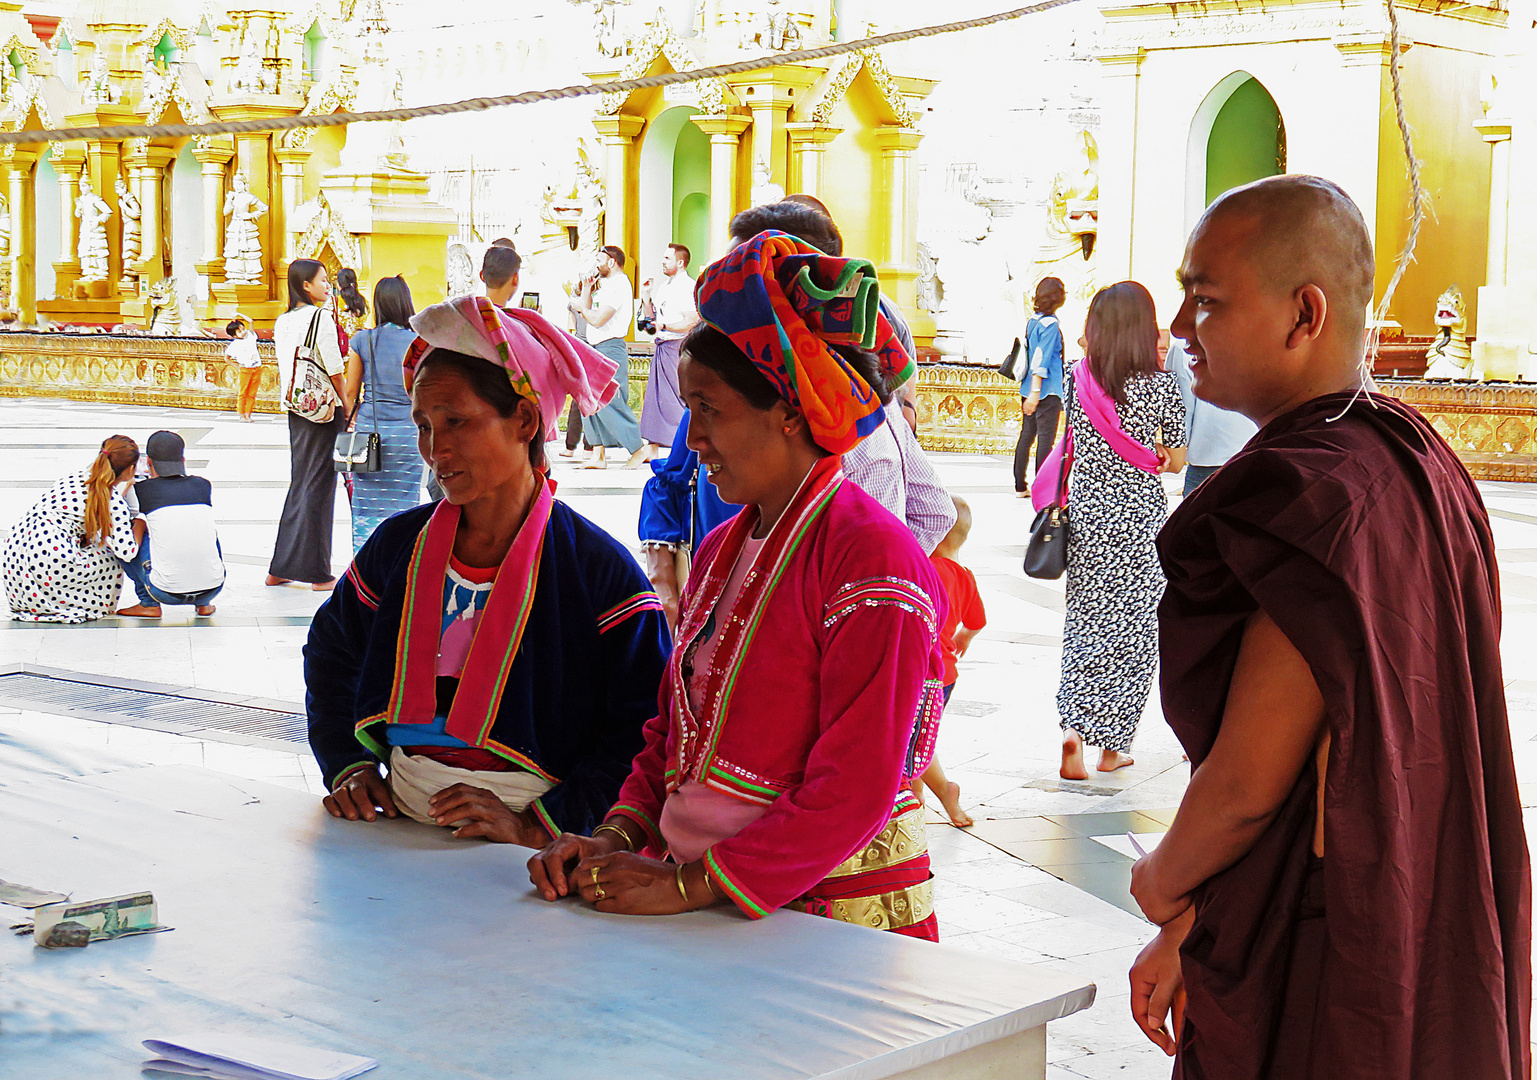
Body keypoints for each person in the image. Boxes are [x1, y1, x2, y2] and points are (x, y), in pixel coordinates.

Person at [1128, 176, 1531, 1078]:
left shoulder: (1314, 498)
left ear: (1303, 312)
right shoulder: (1416, 460)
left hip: (1326, 942)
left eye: (1207, 300)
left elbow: (1246, 786)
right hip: (1418, 897)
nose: (1182, 329)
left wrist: (1161, 884)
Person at [528, 231, 948, 939]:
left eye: (710, 411)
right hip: (711, 897)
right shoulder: (725, 546)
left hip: (823, 917)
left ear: (789, 412)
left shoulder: (871, 559)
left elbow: (855, 784)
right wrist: (617, 838)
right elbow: (673, 731)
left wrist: (691, 885)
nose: (692, 439)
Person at [305, 295, 671, 843]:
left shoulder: (597, 571)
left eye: (456, 421)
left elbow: (643, 724)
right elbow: (332, 652)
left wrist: (539, 824)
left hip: (530, 853)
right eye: (425, 425)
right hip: (396, 832)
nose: (436, 449)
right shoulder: (397, 547)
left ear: (524, 419)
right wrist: (348, 764)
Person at [639, 202, 956, 624]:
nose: (727, 301)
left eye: (745, 283)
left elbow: (932, 510)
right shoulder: (726, 543)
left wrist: (870, 584)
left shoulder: (841, 424)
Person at [1049, 281, 1186, 780]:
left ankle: (1073, 730)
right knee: (1134, 631)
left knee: (1084, 622)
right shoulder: (1163, 386)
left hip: (1086, 514)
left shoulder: (1075, 376)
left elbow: (1070, 441)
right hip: (1139, 518)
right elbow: (1174, 462)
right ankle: (1114, 747)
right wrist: (1152, 456)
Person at [268, 259, 351, 592]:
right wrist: (348, 405)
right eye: (322, 280)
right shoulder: (321, 317)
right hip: (324, 410)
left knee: (301, 483)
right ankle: (318, 573)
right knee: (319, 488)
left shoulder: (283, 320)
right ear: (305, 285)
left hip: (297, 408)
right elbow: (334, 369)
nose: (327, 285)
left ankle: (281, 567)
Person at [3, 436, 140, 623]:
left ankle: (46, 602)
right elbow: (126, 552)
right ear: (131, 468)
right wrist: (141, 523)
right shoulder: (113, 502)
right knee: (109, 558)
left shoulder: (74, 478)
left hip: (16, 553)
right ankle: (89, 604)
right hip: (49, 555)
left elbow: (97, 503)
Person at [344, 275, 422, 552]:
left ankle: (366, 565)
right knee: (405, 504)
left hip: (369, 436)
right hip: (408, 436)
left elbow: (351, 392)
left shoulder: (363, 340)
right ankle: (400, 563)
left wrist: (352, 418)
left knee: (365, 504)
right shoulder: (419, 342)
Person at [922, 496, 984, 828]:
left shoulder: (926, 569)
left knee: (913, 741)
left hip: (924, 674)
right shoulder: (964, 575)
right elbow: (977, 621)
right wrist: (963, 638)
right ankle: (913, 805)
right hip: (946, 675)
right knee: (920, 739)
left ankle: (946, 792)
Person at [116, 431, 224, 619]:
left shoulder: (140, 491)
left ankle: (148, 603)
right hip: (214, 587)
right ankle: (203, 604)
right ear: (182, 459)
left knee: (136, 527)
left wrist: (128, 488)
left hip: (163, 591)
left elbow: (128, 538)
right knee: (199, 528)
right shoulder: (203, 485)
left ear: (148, 462)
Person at [568, 245, 644, 469]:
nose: (597, 264)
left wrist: (581, 307)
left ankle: (637, 448)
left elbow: (598, 319)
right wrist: (587, 290)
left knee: (609, 399)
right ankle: (598, 453)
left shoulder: (620, 284)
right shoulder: (606, 285)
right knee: (588, 398)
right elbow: (588, 309)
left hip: (610, 347)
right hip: (595, 347)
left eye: (600, 260)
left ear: (612, 262)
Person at [1166, 335, 1257, 495]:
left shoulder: (1184, 346)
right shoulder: (1261, 340)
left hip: (1208, 460)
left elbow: (1181, 411)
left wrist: (1174, 454)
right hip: (1257, 455)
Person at [637, 242, 697, 454]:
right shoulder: (665, 287)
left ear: (680, 262)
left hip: (677, 345)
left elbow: (691, 322)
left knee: (676, 396)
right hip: (663, 344)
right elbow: (653, 322)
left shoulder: (688, 286)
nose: (662, 262)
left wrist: (664, 326)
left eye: (667, 258)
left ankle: (683, 444)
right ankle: (655, 445)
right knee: (658, 398)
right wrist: (645, 296)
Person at [1012, 277, 1066, 498]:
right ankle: (1042, 488)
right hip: (1046, 390)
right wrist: (1036, 393)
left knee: (1026, 436)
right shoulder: (1051, 325)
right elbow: (1041, 360)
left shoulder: (1033, 321)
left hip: (1028, 389)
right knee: (1046, 440)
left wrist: (1030, 393)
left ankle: (1019, 485)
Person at [224, 313, 262, 422]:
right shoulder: (234, 345)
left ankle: (248, 414)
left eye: (243, 328)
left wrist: (239, 315)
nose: (243, 331)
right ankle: (242, 414)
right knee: (243, 392)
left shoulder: (250, 336)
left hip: (256, 367)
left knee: (252, 393)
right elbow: (227, 358)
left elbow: (250, 321)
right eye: (239, 331)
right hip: (245, 369)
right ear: (234, 335)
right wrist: (237, 366)